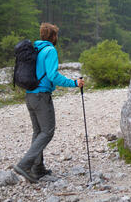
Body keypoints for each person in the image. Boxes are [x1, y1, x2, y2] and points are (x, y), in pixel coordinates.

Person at [13, 22, 84, 183]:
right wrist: (74, 83)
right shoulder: (50, 50)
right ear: (53, 36)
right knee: (47, 131)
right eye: (56, 35)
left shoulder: (35, 49)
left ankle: (37, 169)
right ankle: (24, 165)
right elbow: (53, 76)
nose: (56, 38)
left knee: (38, 132)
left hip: (29, 95)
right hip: (41, 97)